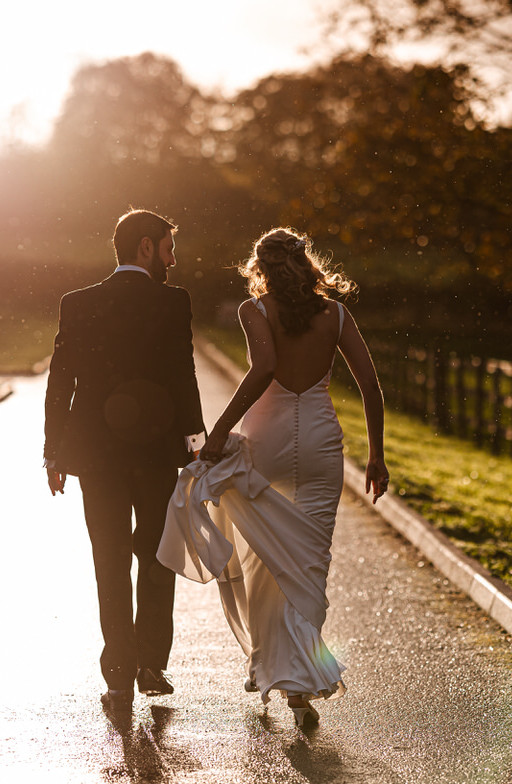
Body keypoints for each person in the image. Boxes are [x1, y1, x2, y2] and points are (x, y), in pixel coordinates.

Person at [159, 227, 387, 729]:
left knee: (265, 556)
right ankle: (297, 679)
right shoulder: (336, 314)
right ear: (306, 264)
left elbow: (264, 367)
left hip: (270, 438)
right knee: (309, 561)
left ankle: (270, 663)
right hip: (322, 443)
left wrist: (219, 431)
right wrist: (377, 456)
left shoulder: (254, 311)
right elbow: (370, 385)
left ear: (259, 267)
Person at [44, 209, 206, 714]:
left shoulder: (78, 304)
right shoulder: (173, 302)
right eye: (167, 248)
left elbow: (60, 381)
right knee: (157, 558)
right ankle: (152, 664)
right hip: (157, 456)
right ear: (144, 248)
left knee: (108, 561)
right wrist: (196, 445)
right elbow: (184, 374)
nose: (172, 259)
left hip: (97, 458)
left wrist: (53, 451)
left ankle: (118, 676)